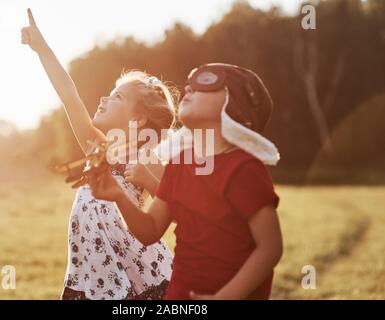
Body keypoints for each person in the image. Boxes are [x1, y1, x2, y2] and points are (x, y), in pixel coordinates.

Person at [88, 63, 283, 300]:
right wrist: (118, 195)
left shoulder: (243, 168)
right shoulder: (179, 163)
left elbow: (270, 247)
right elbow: (150, 231)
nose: (189, 89)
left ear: (233, 105)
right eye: (189, 85)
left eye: (205, 84)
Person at [21, 9, 176, 300]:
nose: (104, 98)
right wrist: (41, 49)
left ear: (139, 120)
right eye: (109, 92)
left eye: (117, 97)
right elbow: (69, 96)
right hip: (93, 278)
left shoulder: (148, 158)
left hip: (139, 275)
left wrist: (150, 180)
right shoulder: (97, 149)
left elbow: (177, 210)